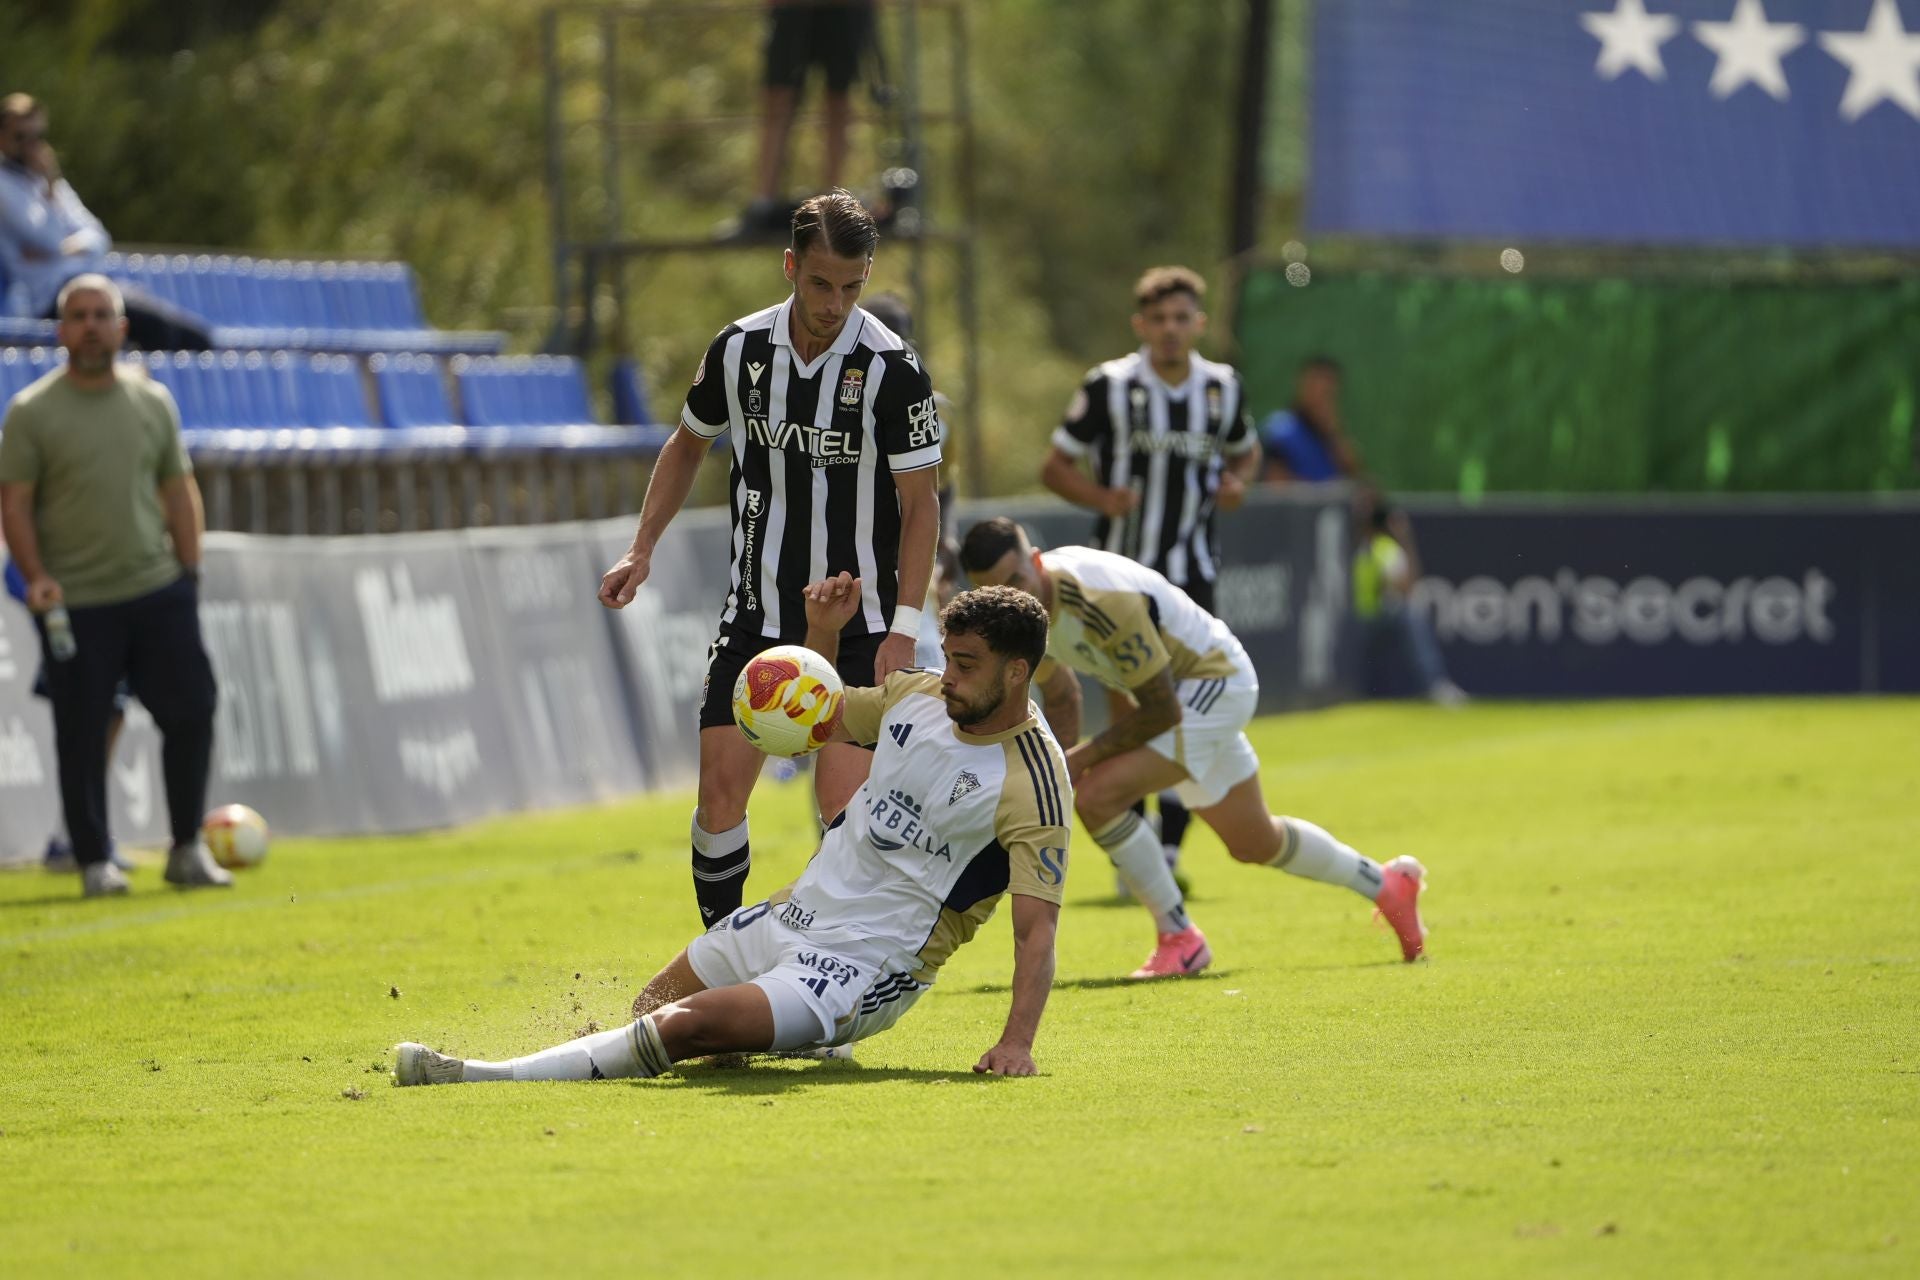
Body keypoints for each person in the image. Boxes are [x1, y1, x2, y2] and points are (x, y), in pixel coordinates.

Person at [393, 579, 1070, 1085]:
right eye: (948, 658)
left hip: (863, 965)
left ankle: (480, 1075)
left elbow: (1035, 929)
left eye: (968, 665)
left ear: (1017, 673)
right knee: (652, 1006)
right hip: (788, 916)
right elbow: (815, 721)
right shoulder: (914, 696)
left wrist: (1018, 1043)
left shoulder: (1032, 783)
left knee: (688, 1026)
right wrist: (822, 635)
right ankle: (803, 1039)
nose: (949, 677)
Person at [599, 191, 941, 929]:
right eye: (820, 283)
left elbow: (922, 505)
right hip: (757, 616)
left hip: (860, 626)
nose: (835, 303)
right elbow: (689, 442)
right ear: (790, 267)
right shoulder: (739, 350)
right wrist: (643, 546)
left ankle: (830, 982)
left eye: (851, 287)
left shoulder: (892, 369)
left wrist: (903, 628)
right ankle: (724, 971)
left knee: (844, 813)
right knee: (720, 799)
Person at [960, 517, 1428, 976]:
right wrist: (1052, 773)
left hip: (1211, 684)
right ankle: (1387, 884)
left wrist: (1076, 761)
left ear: (1036, 560)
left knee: (1100, 796)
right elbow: (1062, 695)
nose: (1014, 595)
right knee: (1255, 840)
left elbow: (1162, 710)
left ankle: (1180, 937)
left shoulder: (1097, 597)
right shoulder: (1022, 615)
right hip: (1191, 696)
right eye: (998, 589)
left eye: (1017, 578)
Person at [0, 274, 226, 897]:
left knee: (192, 711)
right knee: (82, 727)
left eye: (103, 314)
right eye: (80, 315)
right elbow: (14, 505)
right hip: (77, 600)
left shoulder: (152, 403)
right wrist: (38, 577)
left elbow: (178, 489)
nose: (92, 325)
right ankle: (93, 858)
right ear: (61, 330)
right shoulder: (31, 414)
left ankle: (186, 847)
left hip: (157, 590)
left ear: (123, 329)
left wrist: (188, 570)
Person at [1038, 266, 1261, 891]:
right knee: (1131, 702)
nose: (1170, 330)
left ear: (1200, 323)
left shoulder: (1221, 389)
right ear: (1141, 325)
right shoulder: (1110, 386)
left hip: (1193, 575)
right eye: (1158, 319)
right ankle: (1129, 839)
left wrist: (1240, 482)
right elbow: (1054, 464)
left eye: (1181, 318)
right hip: (1120, 581)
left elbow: (1246, 450)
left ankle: (1166, 847)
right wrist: (1101, 497)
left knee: (1184, 708)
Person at [0, 94, 211, 351]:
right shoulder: (8, 187)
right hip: (52, 300)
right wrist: (51, 193)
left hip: (91, 285)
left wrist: (60, 248)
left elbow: (98, 237)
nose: (31, 146)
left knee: (194, 337)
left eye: (37, 137)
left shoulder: (49, 183)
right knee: (159, 332)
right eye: (21, 137)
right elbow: (51, 239)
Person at [725, 1, 879, 239]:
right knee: (778, 96)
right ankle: (762, 204)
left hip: (847, 9)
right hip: (792, 7)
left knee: (839, 97)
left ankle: (834, 206)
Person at [1354, 493, 1466, 706]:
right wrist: (1405, 539)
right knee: (1411, 614)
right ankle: (1436, 685)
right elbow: (1408, 588)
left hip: (1354, 621)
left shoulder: (1357, 546)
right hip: (1367, 620)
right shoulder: (1385, 548)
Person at [1259, 355, 1361, 486]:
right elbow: (1276, 485)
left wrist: (1334, 436)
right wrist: (1326, 492)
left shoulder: (1330, 434)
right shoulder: (1279, 430)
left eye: (1328, 393)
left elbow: (1354, 476)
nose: (1322, 399)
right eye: (1317, 388)